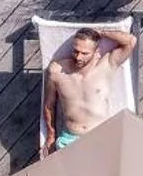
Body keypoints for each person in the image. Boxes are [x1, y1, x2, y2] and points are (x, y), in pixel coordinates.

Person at [43, 25, 137, 153]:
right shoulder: (57, 71)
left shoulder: (107, 65)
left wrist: (102, 33)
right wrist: (51, 135)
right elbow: (49, 105)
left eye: (85, 53)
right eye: (75, 51)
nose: (78, 57)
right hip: (69, 140)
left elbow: (131, 41)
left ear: (96, 52)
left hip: (100, 138)